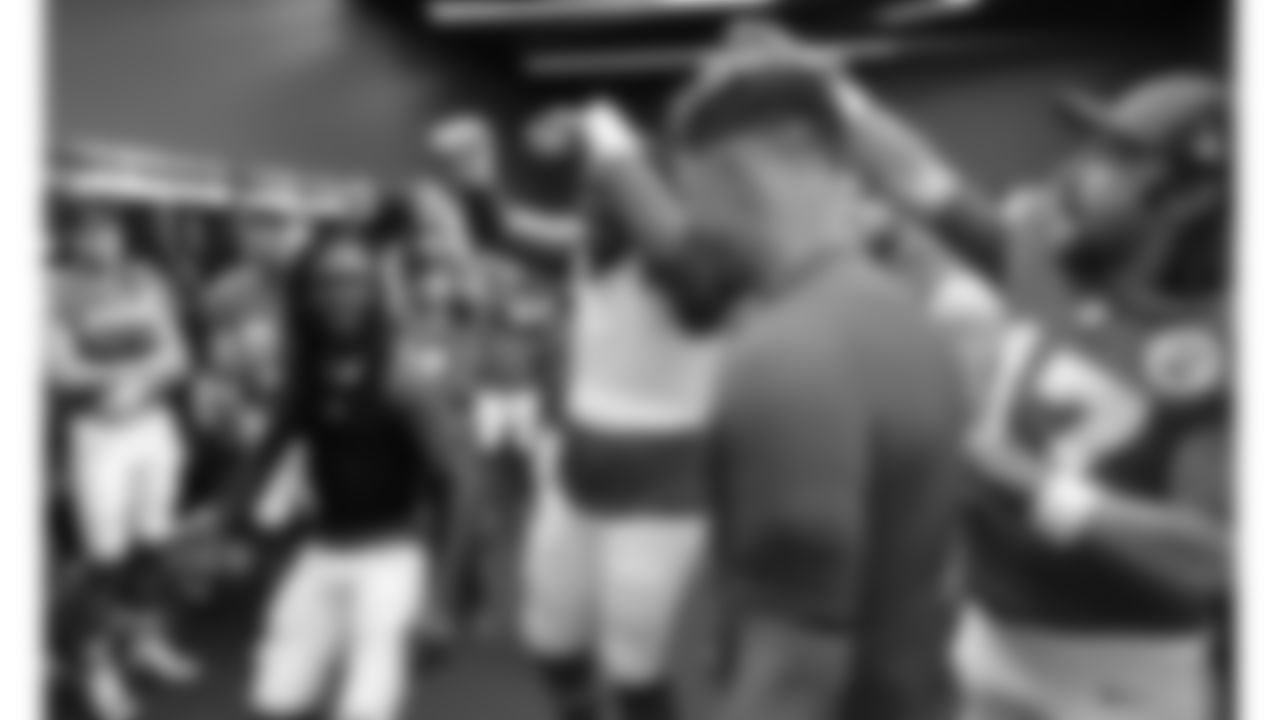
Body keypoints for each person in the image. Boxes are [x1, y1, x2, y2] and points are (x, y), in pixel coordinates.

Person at [830, 66, 1231, 720]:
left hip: (1120, 677)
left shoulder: (1227, 338)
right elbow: (924, 183)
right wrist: (827, 91)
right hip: (991, 634)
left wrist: (1035, 489)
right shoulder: (1048, 248)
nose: (1083, 171)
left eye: (1122, 159)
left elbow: (1211, 560)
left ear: (1190, 197)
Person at [662, 27, 969, 720]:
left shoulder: (787, 355)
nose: (690, 225)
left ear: (732, 181)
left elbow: (795, 676)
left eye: (689, 195)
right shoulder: (903, 313)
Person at [496, 97, 754, 720]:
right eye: (591, 188)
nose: (593, 199)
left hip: (663, 495)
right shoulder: (591, 251)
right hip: (578, 479)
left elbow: (691, 276)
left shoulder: (711, 258)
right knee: (550, 644)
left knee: (633, 671)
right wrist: (476, 176)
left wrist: (601, 128)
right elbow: (498, 229)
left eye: (607, 187)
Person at [206, 227, 451, 720]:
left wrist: (438, 595)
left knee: (365, 704)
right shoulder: (308, 373)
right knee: (276, 700)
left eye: (354, 280)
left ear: (375, 291)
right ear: (307, 294)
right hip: (322, 549)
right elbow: (269, 449)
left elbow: (459, 484)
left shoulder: (402, 379)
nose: (341, 294)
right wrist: (224, 520)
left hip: (391, 557)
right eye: (327, 282)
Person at [48, 197, 200, 720]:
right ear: (70, 236)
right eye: (88, 230)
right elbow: (60, 370)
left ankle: (144, 641)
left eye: (108, 228)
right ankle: (95, 667)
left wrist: (133, 381)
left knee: (153, 545)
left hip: (153, 426)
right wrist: (133, 375)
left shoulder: (145, 277)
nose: (101, 240)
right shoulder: (53, 287)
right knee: (103, 561)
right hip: (97, 434)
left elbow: (179, 355)